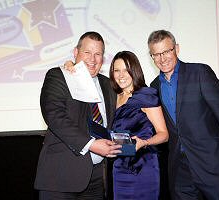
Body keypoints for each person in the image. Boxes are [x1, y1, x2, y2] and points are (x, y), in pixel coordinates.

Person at [147, 30, 219, 200]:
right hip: (180, 171)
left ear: (176, 49)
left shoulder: (200, 73)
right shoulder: (154, 86)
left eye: (166, 51)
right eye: (156, 54)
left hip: (213, 165)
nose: (162, 59)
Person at [34, 31, 122, 200]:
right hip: (60, 177)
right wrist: (91, 144)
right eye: (87, 52)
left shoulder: (108, 84)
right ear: (76, 52)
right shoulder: (59, 75)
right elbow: (54, 115)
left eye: (98, 54)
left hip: (97, 178)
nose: (93, 59)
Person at [109, 51, 169, 200]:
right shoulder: (112, 96)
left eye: (125, 69)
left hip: (143, 166)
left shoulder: (145, 95)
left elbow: (164, 134)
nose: (121, 75)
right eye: (117, 70)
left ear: (134, 70)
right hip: (119, 166)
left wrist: (145, 142)